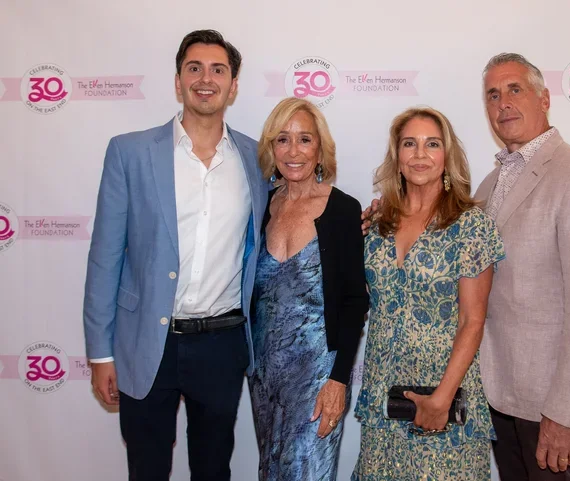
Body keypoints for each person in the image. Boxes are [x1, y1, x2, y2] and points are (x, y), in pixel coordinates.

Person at [83, 30, 268, 481]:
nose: (206, 79)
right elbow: (105, 257)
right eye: (194, 68)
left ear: (233, 85)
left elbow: (297, 205)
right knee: (146, 469)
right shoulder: (129, 152)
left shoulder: (256, 158)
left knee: (212, 469)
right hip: (146, 341)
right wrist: (100, 354)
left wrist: (359, 218)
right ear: (178, 81)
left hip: (222, 342)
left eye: (218, 70)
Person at [475, 53, 570, 480]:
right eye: (493, 95)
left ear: (544, 99)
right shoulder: (491, 183)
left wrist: (567, 412)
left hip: (547, 402)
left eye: (514, 89)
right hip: (497, 393)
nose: (503, 102)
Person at [352, 107, 505, 481]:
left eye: (432, 144)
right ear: (397, 155)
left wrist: (441, 398)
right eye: (410, 144)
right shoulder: (377, 224)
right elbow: (359, 297)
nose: (420, 154)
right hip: (383, 398)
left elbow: (472, 320)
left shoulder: (471, 225)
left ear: (447, 155)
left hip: (444, 397)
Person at [249, 97, 369, 480]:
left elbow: (354, 302)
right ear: (271, 148)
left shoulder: (343, 210)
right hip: (264, 376)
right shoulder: (260, 207)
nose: (293, 151)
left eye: (305, 139)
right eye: (282, 139)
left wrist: (338, 380)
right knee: (271, 469)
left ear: (320, 149)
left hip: (317, 376)